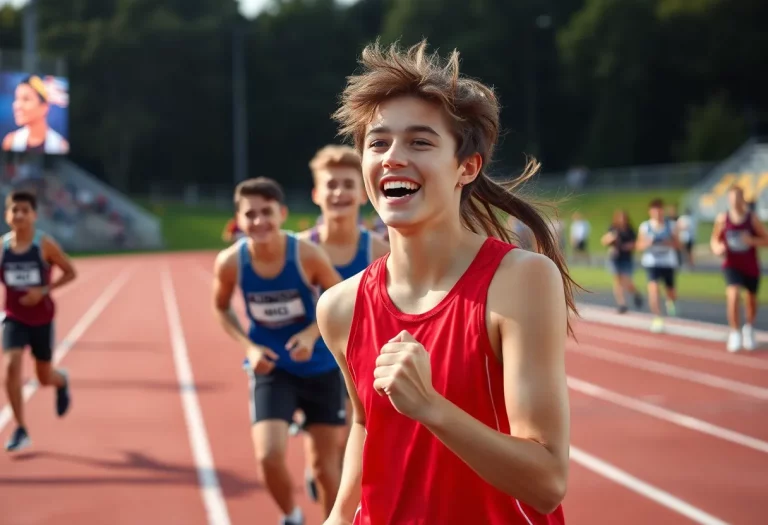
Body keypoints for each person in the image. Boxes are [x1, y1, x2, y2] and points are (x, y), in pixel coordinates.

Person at [316, 40, 575, 525]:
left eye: (420, 141)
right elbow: (365, 422)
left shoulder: (519, 280)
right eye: (378, 142)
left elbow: (547, 481)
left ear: (466, 167)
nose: (392, 157)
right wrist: (337, 515)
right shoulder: (339, 307)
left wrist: (432, 407)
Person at [212, 177, 345, 524]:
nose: (258, 222)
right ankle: (292, 516)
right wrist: (250, 347)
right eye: (250, 214)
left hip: (319, 368)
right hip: (272, 370)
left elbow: (341, 300)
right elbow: (222, 307)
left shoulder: (307, 255)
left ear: (282, 213)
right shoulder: (230, 263)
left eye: (266, 212)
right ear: (238, 219)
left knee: (325, 470)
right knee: (269, 456)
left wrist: (311, 334)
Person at [295, 144, 390, 501]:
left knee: (355, 435)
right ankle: (322, 473)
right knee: (331, 446)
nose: (339, 193)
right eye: (330, 185)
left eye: (348, 184)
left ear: (364, 194)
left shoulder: (379, 251)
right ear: (316, 194)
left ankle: (338, 492)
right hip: (314, 362)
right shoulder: (300, 249)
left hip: (360, 359)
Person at [2, 190, 76, 452]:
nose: (19, 214)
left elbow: (71, 272)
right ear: (7, 215)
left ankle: (61, 381)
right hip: (13, 318)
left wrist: (43, 291)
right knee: (10, 367)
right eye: (14, 210)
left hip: (42, 319)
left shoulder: (44, 245)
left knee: (43, 377)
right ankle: (21, 428)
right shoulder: (2, 248)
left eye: (25, 210)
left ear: (34, 215)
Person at [710, 185, 767, 352]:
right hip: (731, 264)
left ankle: (748, 328)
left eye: (738, 198)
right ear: (728, 199)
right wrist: (717, 248)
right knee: (733, 294)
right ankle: (734, 332)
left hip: (750, 265)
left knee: (751, 300)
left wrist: (752, 241)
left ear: (742, 199)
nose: (734, 202)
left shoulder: (752, 219)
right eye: (732, 198)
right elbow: (714, 240)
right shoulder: (723, 219)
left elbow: (766, 239)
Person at [636, 198, 680, 333]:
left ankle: (670, 301)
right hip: (652, 262)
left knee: (671, 291)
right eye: (655, 210)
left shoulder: (671, 225)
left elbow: (679, 244)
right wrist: (647, 243)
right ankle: (657, 317)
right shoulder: (645, 226)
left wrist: (668, 242)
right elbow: (638, 245)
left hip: (668, 262)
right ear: (650, 212)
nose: (657, 213)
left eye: (660, 210)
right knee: (653, 289)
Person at [1, 75, 69, 155]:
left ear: (44, 107)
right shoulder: (10, 142)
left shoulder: (61, 146)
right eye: (16, 99)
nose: (17, 106)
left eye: (26, 99)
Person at [601, 209, 642, 313]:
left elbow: (635, 244)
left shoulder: (630, 230)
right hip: (615, 258)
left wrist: (626, 246)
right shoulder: (613, 229)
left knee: (627, 281)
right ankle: (622, 304)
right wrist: (611, 238)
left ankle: (636, 293)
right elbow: (604, 241)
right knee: (617, 281)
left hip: (626, 258)